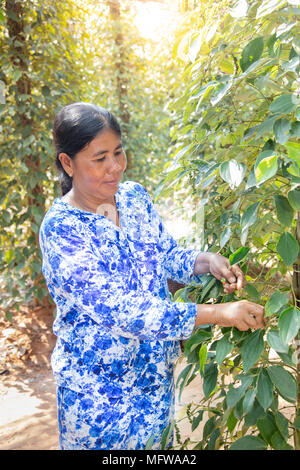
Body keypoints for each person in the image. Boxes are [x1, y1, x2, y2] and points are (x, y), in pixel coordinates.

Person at [39, 102, 265, 450]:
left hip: (154, 381)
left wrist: (205, 262)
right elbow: (122, 311)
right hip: (98, 398)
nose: (115, 167)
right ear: (68, 163)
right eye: (99, 159)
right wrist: (219, 314)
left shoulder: (133, 198)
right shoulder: (62, 230)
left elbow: (165, 255)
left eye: (118, 152)